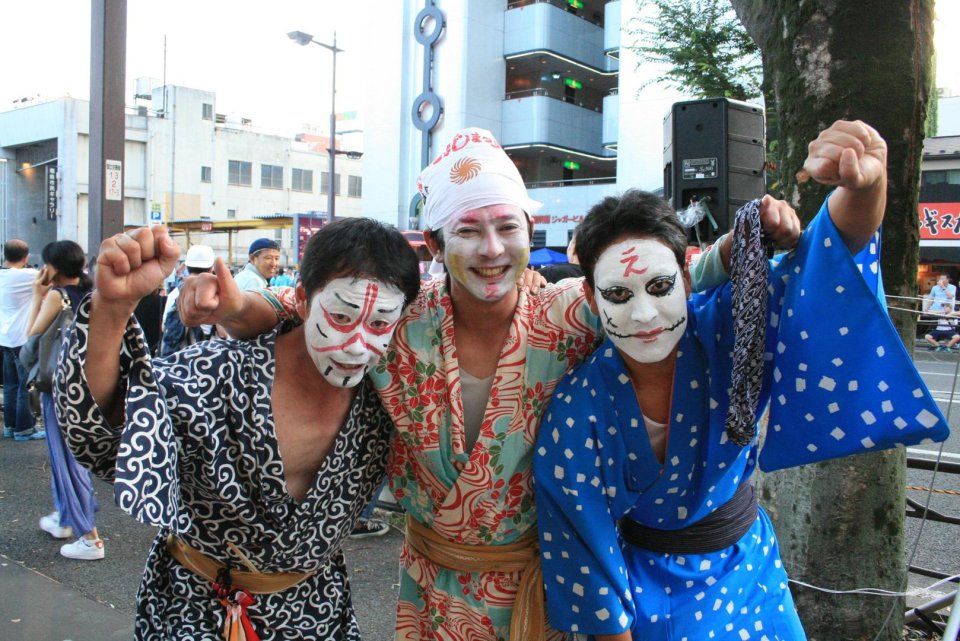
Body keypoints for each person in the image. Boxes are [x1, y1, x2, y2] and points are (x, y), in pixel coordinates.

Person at [178, 127, 803, 641]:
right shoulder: (398, 317)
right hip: (431, 588)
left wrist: (749, 235)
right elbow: (294, 306)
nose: (492, 249)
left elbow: (663, 282)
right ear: (433, 241)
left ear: (531, 231)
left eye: (508, 227)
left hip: (541, 591)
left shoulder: (570, 315)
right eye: (469, 231)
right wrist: (232, 304)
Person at [532, 120, 951, 640]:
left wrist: (864, 187)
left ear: (687, 279)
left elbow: (823, 265)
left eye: (660, 286)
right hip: (647, 598)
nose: (643, 314)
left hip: (751, 573)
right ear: (591, 299)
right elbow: (586, 560)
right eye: (618, 294)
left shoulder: (732, 328)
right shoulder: (578, 408)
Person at [56, 219, 421, 639]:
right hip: (194, 607)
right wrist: (112, 308)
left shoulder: (390, 398)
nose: (357, 346)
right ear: (302, 299)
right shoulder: (217, 374)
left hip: (314, 611)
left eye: (378, 325)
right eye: (340, 316)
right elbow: (105, 439)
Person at [27, 241, 103, 559]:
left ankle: (91, 538)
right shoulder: (92, 296)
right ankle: (64, 518)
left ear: (53, 268)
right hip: (85, 387)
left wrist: (37, 295)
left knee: (69, 461)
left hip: (58, 387)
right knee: (69, 458)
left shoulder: (57, 297)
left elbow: (31, 335)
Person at [0, 239, 43, 441]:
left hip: (4, 338)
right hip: (21, 338)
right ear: (26, 257)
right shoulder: (29, 275)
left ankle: (9, 426)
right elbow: (50, 279)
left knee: (10, 385)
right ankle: (24, 429)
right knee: (25, 386)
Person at [159, 244, 217, 357]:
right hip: (209, 359)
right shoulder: (216, 294)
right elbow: (223, 333)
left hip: (179, 361)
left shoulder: (174, 294)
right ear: (211, 268)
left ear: (186, 267)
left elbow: (164, 328)